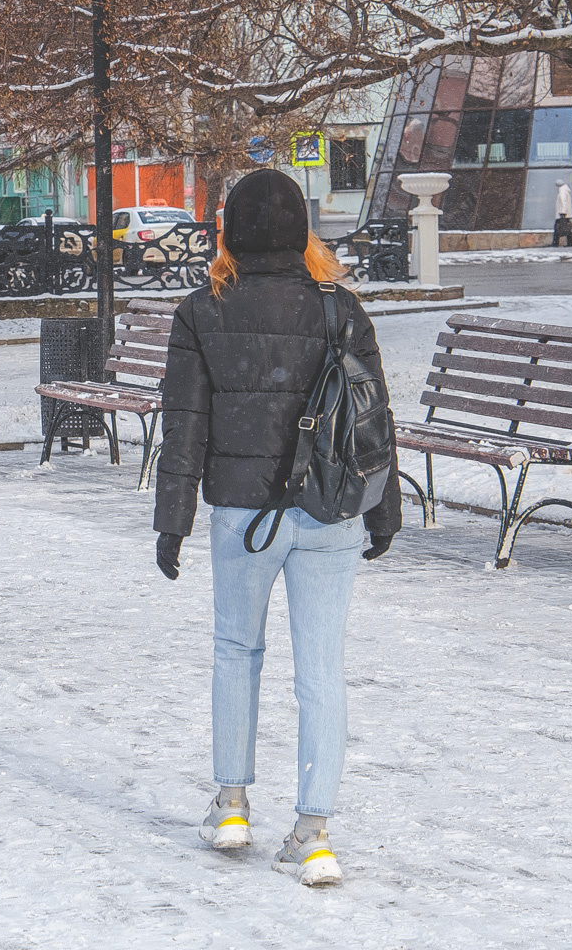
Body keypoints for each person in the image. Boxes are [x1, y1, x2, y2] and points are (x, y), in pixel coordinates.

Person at [152, 168, 401, 889]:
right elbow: (374, 421)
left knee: (237, 650)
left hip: (240, 514)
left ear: (227, 231)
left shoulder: (202, 311)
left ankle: (231, 804)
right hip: (329, 512)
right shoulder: (340, 309)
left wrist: (173, 522)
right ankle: (314, 834)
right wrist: (383, 511)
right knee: (321, 669)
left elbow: (184, 428)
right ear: (302, 231)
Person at [553, 179, 572, 247]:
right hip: (567, 214)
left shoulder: (562, 191)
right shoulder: (566, 190)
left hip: (562, 214)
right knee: (568, 229)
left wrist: (563, 212)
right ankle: (570, 243)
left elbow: (563, 202)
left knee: (557, 229)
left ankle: (555, 243)